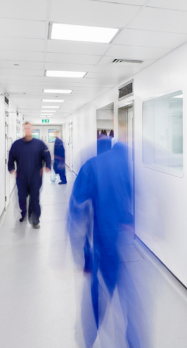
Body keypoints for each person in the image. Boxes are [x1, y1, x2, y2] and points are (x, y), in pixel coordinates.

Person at [68, 140, 145, 347]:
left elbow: (77, 214)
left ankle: (88, 340)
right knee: (131, 304)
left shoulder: (91, 167)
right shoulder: (125, 163)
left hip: (104, 246)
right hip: (122, 245)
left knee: (96, 302)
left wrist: (82, 255)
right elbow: (127, 199)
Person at [8, 122, 51, 228]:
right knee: (22, 197)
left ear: (32, 129)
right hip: (21, 176)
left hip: (35, 176)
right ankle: (24, 213)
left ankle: (35, 218)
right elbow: (11, 158)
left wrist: (47, 166)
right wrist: (11, 169)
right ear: (23, 129)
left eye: (29, 128)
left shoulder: (39, 144)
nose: (27, 130)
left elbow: (47, 155)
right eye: (25, 128)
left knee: (34, 198)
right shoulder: (17, 144)